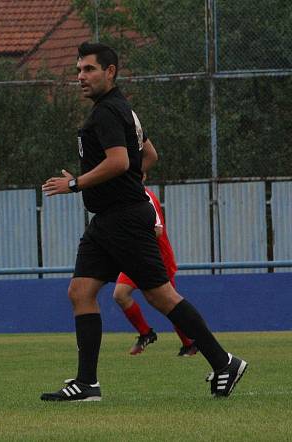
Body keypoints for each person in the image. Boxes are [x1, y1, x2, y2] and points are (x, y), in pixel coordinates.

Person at [39, 42, 247, 401]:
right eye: (78, 70)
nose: (81, 77)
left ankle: (223, 361)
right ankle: (86, 383)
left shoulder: (106, 113)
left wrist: (75, 182)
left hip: (123, 220)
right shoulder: (124, 110)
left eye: (89, 69)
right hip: (108, 220)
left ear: (110, 72)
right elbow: (148, 155)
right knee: (81, 292)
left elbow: (120, 161)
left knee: (160, 295)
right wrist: (127, 178)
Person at [113, 182, 196, 357]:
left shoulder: (145, 196)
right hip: (135, 258)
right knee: (120, 294)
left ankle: (189, 344)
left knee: (168, 303)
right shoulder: (121, 198)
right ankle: (146, 333)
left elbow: (157, 231)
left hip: (157, 259)